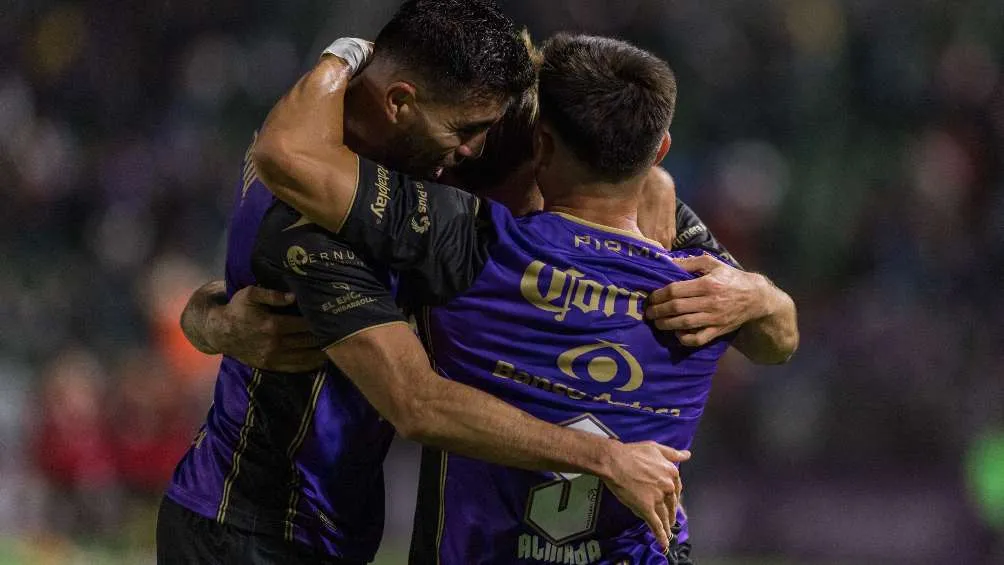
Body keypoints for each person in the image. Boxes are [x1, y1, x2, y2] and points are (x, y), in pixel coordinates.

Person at [158, 3, 693, 564]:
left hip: (328, 524)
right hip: (248, 525)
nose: (472, 149)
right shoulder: (315, 211)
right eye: (466, 130)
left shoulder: (389, 168)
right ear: (400, 103)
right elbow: (416, 403)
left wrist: (744, 281)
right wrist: (604, 456)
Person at [250, 31, 798, 564]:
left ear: (541, 145)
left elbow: (288, 158)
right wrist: (762, 295)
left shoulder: (471, 244)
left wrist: (349, 53)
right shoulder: (699, 282)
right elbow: (780, 343)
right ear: (659, 150)